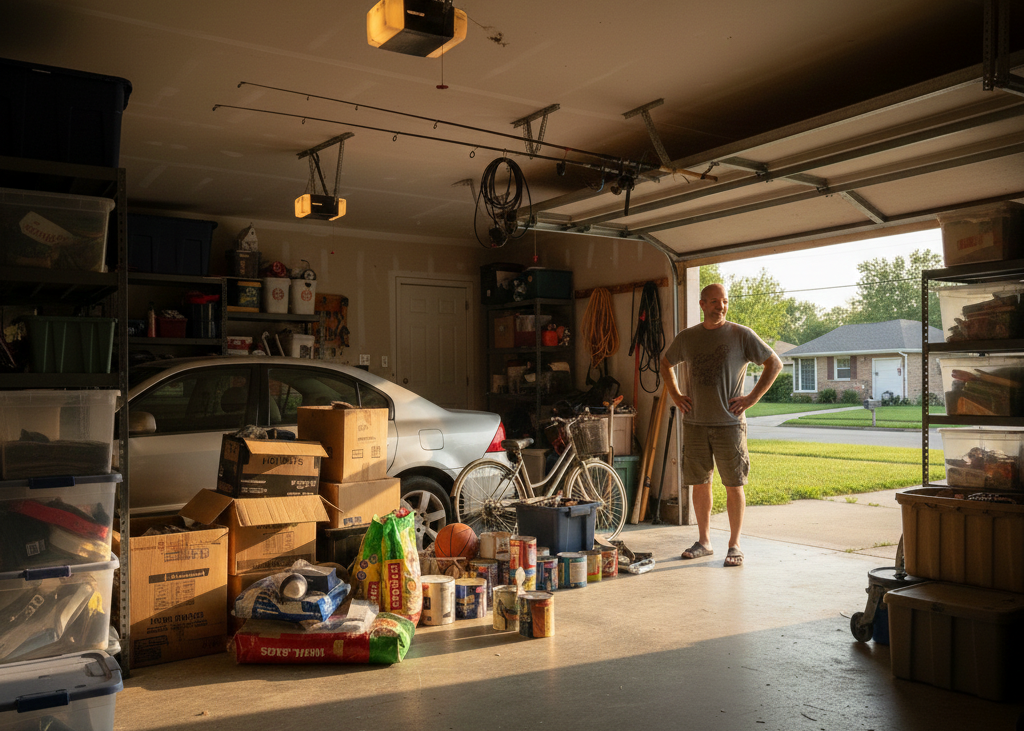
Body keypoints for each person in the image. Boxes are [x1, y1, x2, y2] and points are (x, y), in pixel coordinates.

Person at [659, 283, 782, 567]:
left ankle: (735, 545)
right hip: (695, 423)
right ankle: (704, 541)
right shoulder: (688, 338)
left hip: (729, 424)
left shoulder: (741, 335)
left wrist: (751, 398)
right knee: (700, 484)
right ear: (702, 305)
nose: (721, 306)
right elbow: (665, 363)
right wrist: (676, 395)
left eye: (724, 301)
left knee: (734, 484)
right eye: (714, 302)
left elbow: (774, 364)